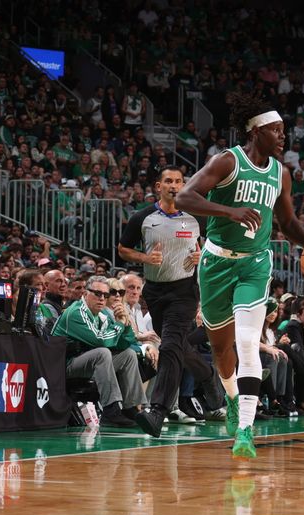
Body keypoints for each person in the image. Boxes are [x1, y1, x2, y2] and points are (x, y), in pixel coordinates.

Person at [175, 93, 304, 458]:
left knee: (249, 341)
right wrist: (228, 211)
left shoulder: (280, 173)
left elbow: (287, 222)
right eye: (276, 130)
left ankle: (245, 431)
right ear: (255, 132)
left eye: (284, 130)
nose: (283, 136)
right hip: (216, 262)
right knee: (221, 350)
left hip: (255, 264)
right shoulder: (227, 162)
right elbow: (185, 198)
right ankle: (233, 399)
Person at [117, 166, 224, 437]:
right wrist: (144, 258)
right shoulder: (142, 217)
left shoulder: (196, 217)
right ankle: (208, 375)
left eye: (178, 181)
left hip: (184, 290)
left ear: (184, 185)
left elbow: (212, 247)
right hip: (154, 290)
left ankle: (157, 411)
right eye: (168, 181)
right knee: (177, 347)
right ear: (158, 186)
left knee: (172, 346)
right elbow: (123, 249)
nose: (174, 185)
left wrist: (204, 257)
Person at [51, 275, 147, 428]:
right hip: (63, 366)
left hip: (87, 363)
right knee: (102, 353)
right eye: (97, 294)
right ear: (85, 294)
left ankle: (131, 408)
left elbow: (123, 344)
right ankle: (111, 410)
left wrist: (125, 322)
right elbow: (101, 340)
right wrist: (119, 324)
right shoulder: (75, 312)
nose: (102, 298)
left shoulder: (102, 316)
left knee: (128, 355)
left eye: (105, 295)